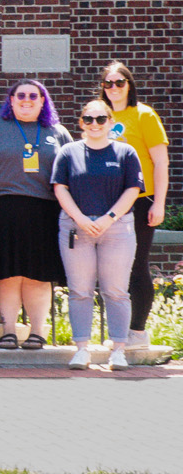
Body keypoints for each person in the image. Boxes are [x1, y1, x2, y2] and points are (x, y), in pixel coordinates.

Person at [0, 80, 68, 351]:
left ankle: (37, 333)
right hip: (0, 210)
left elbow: (71, 175)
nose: (26, 99)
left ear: (43, 101)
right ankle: (8, 331)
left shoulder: (57, 133)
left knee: (38, 275)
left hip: (44, 213)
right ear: (10, 100)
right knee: (7, 275)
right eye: (20, 95)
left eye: (34, 95)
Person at [53, 99, 145, 371]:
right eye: (89, 119)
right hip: (75, 228)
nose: (95, 124)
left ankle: (119, 350)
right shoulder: (69, 152)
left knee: (116, 291)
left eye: (101, 119)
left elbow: (132, 190)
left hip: (116, 229)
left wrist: (109, 219)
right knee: (80, 290)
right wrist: (80, 218)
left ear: (110, 123)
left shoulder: (125, 152)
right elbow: (60, 188)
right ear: (81, 123)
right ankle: (82, 349)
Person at [99, 62, 169, 352]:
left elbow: (161, 162)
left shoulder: (144, 115)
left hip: (141, 202)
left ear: (130, 84)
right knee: (113, 269)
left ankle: (137, 331)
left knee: (136, 265)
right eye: (108, 83)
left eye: (119, 82)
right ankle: (119, 331)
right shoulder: (99, 116)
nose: (113, 88)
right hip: (106, 203)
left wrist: (160, 203)